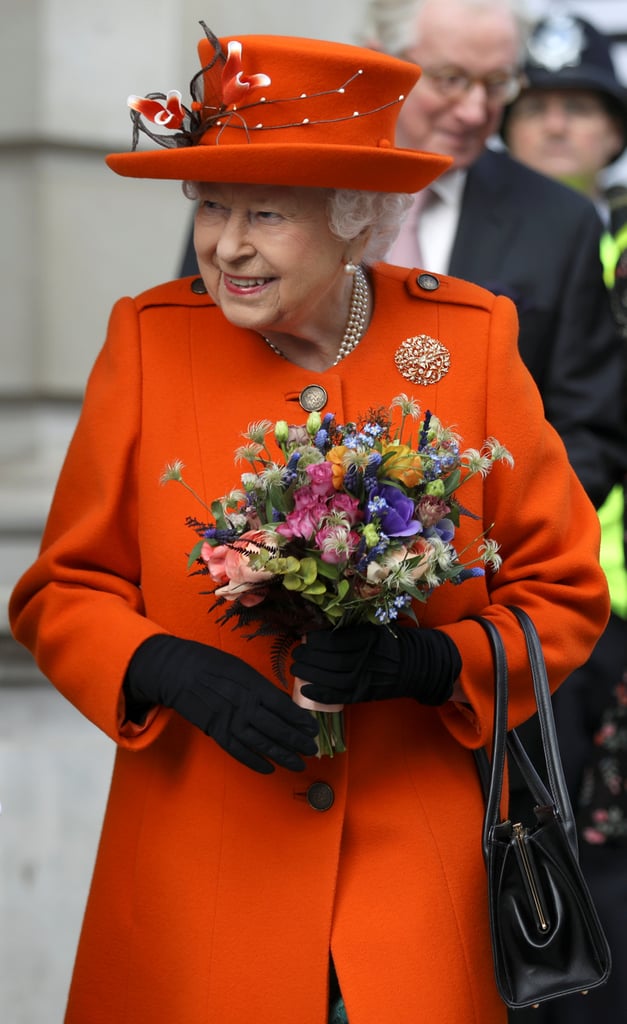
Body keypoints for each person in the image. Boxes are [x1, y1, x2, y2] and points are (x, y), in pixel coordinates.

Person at [8, 25, 609, 1024]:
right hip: (200, 877)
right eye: (210, 207)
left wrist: (433, 664)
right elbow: (60, 590)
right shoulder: (152, 341)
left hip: (413, 885)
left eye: (265, 214)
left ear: (355, 220)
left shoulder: (462, 344)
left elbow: (562, 593)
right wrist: (162, 666)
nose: (226, 245)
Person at [362, 0, 625, 511]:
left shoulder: (560, 222)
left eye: (497, 83)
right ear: (381, 63)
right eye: (450, 79)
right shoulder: (289, 193)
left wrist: (482, 544)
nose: (476, 111)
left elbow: (589, 427)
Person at [501, 14, 627, 1024]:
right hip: (544, 599)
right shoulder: (478, 240)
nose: (555, 129)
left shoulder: (614, 243)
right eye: (535, 108)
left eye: (577, 108)